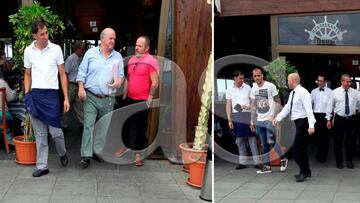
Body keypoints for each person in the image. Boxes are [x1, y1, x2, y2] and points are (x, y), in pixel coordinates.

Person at [23, 21, 69, 177]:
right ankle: (42, 166)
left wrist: (66, 98)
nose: (45, 36)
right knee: (41, 134)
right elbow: (27, 74)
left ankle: (62, 153)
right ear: (34, 35)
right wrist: (27, 94)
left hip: (51, 96)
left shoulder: (55, 49)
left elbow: (62, 74)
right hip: (35, 95)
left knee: (56, 132)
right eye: (42, 34)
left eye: (46, 32)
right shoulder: (28, 51)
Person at [77, 28, 124, 168]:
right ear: (102, 39)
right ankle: (86, 155)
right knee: (88, 126)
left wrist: (118, 82)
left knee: (103, 127)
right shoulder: (90, 54)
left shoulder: (117, 56)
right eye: (110, 38)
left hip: (108, 97)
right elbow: (81, 72)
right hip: (91, 96)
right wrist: (80, 88)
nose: (113, 41)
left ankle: (97, 152)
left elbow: (121, 76)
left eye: (114, 39)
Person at [114, 36, 159, 166]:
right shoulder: (132, 59)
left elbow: (155, 82)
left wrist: (150, 98)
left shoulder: (151, 61)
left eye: (140, 45)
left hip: (143, 100)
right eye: (136, 45)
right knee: (125, 124)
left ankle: (138, 154)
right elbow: (128, 78)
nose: (136, 47)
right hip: (130, 98)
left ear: (147, 48)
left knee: (140, 127)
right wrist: (125, 93)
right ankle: (125, 146)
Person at [273, 73, 316, 182]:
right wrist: (277, 118)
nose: (287, 82)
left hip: (302, 122)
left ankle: (304, 171)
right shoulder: (293, 93)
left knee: (296, 149)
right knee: (300, 149)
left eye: (288, 80)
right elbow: (287, 108)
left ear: (293, 81)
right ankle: (305, 172)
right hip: (295, 122)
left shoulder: (303, 92)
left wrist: (311, 126)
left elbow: (309, 110)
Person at [250, 68, 288, 174]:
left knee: (272, 141)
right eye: (255, 76)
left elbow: (277, 100)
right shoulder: (253, 88)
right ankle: (267, 166)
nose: (257, 78)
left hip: (269, 119)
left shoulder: (270, 86)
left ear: (262, 75)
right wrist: (252, 120)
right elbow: (253, 105)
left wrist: (275, 115)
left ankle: (283, 159)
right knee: (263, 143)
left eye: (258, 75)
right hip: (259, 119)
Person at [226, 70, 260, 170]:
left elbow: (253, 103)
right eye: (240, 78)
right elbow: (228, 105)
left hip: (247, 115)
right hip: (236, 115)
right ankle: (242, 163)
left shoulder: (248, 88)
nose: (242, 80)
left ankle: (257, 162)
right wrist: (229, 120)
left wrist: (252, 119)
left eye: (243, 78)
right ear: (235, 78)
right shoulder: (229, 89)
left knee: (252, 139)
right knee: (240, 140)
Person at [326, 73, 360, 169]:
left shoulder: (355, 92)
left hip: (352, 120)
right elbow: (330, 106)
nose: (349, 83)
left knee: (351, 142)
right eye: (347, 81)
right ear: (342, 81)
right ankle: (339, 162)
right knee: (338, 142)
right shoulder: (335, 92)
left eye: (350, 81)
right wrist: (328, 119)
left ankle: (349, 160)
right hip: (339, 120)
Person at [62, 41, 86, 130]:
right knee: (67, 104)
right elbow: (65, 73)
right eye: (82, 49)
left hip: (79, 86)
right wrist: (66, 87)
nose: (83, 51)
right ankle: (64, 124)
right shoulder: (70, 59)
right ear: (77, 49)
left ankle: (82, 124)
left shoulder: (82, 59)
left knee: (80, 105)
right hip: (71, 85)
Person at [310, 74, 331, 163]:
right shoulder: (313, 91)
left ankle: (323, 155)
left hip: (325, 116)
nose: (319, 82)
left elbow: (331, 106)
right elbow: (310, 104)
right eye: (318, 81)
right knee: (316, 137)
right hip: (316, 115)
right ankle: (319, 152)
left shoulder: (330, 92)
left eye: (321, 81)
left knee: (325, 137)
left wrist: (328, 119)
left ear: (325, 82)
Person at [0, 72, 17, 144]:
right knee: (7, 117)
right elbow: (10, 98)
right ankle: (8, 138)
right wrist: (14, 91)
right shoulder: (2, 82)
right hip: (1, 115)